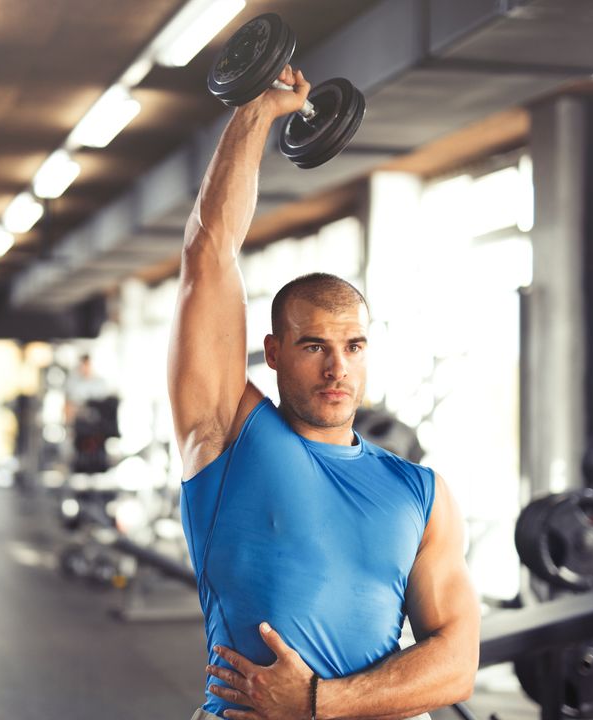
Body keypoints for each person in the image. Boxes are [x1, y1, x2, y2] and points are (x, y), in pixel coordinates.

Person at [168, 64, 479, 720]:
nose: (338, 368)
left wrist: (317, 701)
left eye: (353, 346)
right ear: (274, 354)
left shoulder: (420, 493)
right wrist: (256, 113)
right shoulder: (228, 433)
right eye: (314, 347)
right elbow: (209, 255)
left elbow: (456, 661)